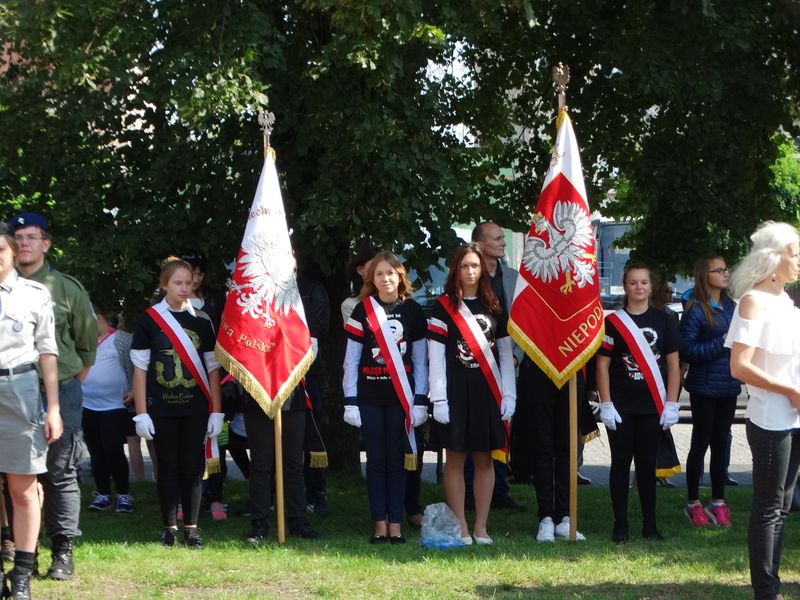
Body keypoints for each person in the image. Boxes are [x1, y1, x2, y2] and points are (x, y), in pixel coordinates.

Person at [8, 212, 97, 581]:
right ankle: (15, 547)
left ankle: (62, 551)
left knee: (60, 472)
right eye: (18, 237)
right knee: (12, 473)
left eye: (32, 237)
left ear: (46, 244)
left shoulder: (66, 288)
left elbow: (86, 347)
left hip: (58, 390)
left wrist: (60, 388)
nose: (24, 243)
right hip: (12, 392)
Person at [726, 222, 800, 600]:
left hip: (794, 416)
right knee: (769, 508)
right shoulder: (753, 301)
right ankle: (765, 591)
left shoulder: (786, 300)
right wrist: (788, 389)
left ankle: (772, 585)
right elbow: (740, 366)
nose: (799, 261)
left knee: (783, 505)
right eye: (795, 253)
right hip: (771, 419)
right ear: (774, 259)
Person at [130, 257, 223, 548]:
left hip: (196, 407)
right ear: (164, 284)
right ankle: (169, 527)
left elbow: (212, 369)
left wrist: (217, 410)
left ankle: (192, 528)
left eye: (188, 282)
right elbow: (140, 368)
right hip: (162, 408)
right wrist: (141, 413)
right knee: (167, 466)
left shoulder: (203, 319)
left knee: (193, 466)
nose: (184, 288)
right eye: (177, 283)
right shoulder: (149, 320)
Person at [428, 242, 516, 545]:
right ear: (456, 269)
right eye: (464, 265)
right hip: (455, 390)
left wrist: (509, 395)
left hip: (487, 390)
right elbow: (435, 355)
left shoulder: (494, 305)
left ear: (482, 269)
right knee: (455, 459)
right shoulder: (443, 306)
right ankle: (461, 527)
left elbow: (505, 355)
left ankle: (481, 527)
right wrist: (438, 398)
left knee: (484, 460)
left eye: (474, 266)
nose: (469, 271)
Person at [343, 251, 428, 544]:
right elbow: (351, 360)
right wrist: (350, 400)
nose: (385, 278)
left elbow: (420, 361)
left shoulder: (414, 311)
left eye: (390, 273)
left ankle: (396, 523)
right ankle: (379, 524)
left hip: (401, 400)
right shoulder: (361, 311)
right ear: (371, 279)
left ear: (400, 276)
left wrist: (420, 400)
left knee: (397, 461)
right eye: (379, 274)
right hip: (369, 397)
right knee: (376, 461)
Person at [596, 260, 681, 543]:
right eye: (633, 282)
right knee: (620, 464)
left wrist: (671, 403)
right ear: (626, 286)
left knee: (647, 465)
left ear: (651, 285)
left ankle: (650, 525)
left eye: (644, 282)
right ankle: (620, 524)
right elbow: (603, 366)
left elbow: (673, 363)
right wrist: (605, 403)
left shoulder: (664, 320)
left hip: (651, 406)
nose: (639, 287)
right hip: (621, 407)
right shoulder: (613, 322)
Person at [0, 225, 63, 599]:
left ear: (11, 253)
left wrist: (53, 408)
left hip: (19, 390)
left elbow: (48, 354)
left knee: (22, 488)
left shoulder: (34, 294)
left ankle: (21, 573)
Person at [680, 256, 742, 527]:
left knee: (721, 444)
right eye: (719, 270)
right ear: (706, 275)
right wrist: (723, 342)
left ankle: (718, 502)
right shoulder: (695, 309)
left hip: (729, 385)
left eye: (726, 269)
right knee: (700, 444)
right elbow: (688, 351)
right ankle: (693, 503)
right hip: (704, 387)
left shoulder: (732, 306)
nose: (726, 273)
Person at [469, 223, 524, 511]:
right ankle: (469, 492)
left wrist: (515, 356)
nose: (504, 242)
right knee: (471, 428)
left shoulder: (514, 279)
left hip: (507, 364)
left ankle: (500, 492)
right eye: (498, 238)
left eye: (504, 237)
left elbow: (526, 323)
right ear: (479, 244)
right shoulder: (468, 278)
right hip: (472, 368)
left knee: (502, 426)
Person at [81, 304, 135, 513]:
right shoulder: (82, 342)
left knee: (112, 448)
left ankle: (123, 494)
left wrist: (134, 390)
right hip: (87, 405)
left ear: (99, 319)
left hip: (115, 405)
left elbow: (137, 366)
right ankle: (103, 494)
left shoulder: (122, 339)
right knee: (95, 451)